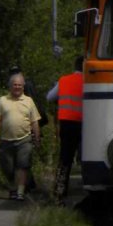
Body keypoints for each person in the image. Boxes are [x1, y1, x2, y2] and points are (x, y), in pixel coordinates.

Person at [0, 72, 41, 201]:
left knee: (23, 165)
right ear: (10, 86)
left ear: (23, 86)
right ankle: (13, 187)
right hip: (6, 140)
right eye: (15, 85)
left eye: (20, 85)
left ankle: (20, 192)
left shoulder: (29, 101)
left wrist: (37, 138)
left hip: (24, 139)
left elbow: (34, 121)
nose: (17, 87)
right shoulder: (3, 100)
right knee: (8, 167)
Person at [46, 56, 84, 201]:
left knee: (65, 158)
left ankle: (59, 190)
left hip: (66, 123)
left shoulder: (63, 80)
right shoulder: (89, 82)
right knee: (86, 157)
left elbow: (49, 97)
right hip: (85, 124)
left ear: (75, 66)